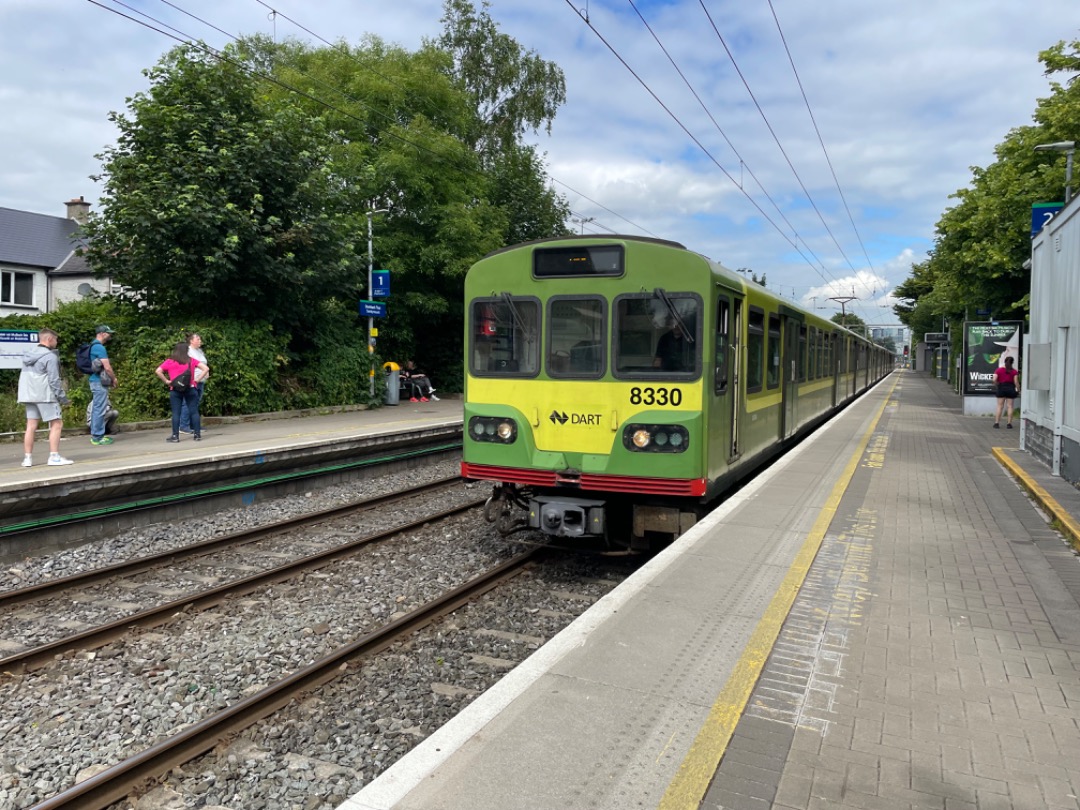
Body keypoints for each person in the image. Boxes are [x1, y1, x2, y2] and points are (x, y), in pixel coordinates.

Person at [18, 327, 74, 467]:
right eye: (56, 340)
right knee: (57, 424)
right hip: (44, 395)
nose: (56, 342)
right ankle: (54, 457)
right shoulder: (50, 356)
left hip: (28, 394)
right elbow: (54, 380)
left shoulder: (28, 354)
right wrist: (63, 398)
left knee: (31, 426)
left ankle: (27, 459)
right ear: (49, 339)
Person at [156, 341, 209, 442]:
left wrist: (167, 381)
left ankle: (175, 436)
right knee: (194, 411)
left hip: (175, 389)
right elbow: (206, 368)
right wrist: (197, 379)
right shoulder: (191, 361)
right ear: (187, 351)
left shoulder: (169, 361)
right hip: (191, 388)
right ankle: (197, 435)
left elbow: (158, 371)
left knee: (176, 413)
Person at [89, 325, 118, 446]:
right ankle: (97, 437)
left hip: (95, 380)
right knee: (99, 409)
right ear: (101, 333)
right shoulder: (99, 348)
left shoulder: (93, 345)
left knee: (98, 408)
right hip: (99, 381)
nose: (110, 335)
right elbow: (107, 367)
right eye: (108, 333)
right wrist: (114, 378)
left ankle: (97, 435)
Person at [179, 332, 209, 434]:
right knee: (188, 403)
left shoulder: (199, 351)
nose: (200, 341)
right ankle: (183, 426)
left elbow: (204, 364)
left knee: (195, 404)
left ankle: (194, 425)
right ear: (191, 341)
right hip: (192, 381)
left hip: (201, 381)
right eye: (198, 339)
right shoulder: (188, 352)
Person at [993, 355, 1019, 429]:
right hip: (1010, 388)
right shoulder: (1014, 371)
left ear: (1004, 362)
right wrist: (1018, 389)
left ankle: (997, 423)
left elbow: (994, 379)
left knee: (999, 406)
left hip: (1001, 388)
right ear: (1012, 363)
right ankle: (1009, 424)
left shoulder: (998, 370)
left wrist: (998, 385)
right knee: (1010, 406)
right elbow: (1016, 382)